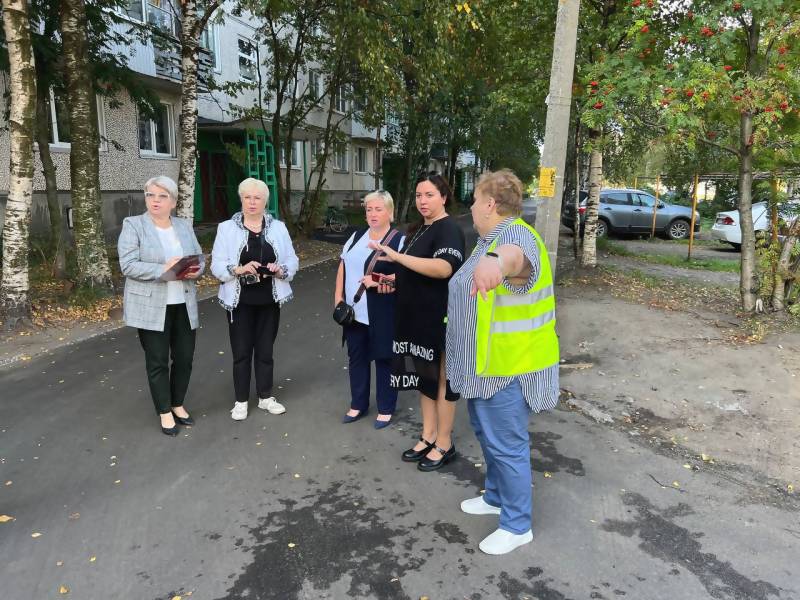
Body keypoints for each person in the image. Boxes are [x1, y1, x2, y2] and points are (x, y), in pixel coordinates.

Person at [446, 169, 559, 555]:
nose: (471, 208)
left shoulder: (513, 238)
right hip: (484, 369)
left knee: (507, 445)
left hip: (508, 370)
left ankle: (516, 524)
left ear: (490, 204)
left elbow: (514, 259)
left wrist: (496, 263)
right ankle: (495, 497)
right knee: (488, 437)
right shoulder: (488, 240)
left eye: (475, 201)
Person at [369, 173, 465, 471]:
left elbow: (443, 268)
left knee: (442, 380)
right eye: (419, 195)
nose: (423, 201)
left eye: (429, 195)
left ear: (443, 197)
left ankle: (445, 443)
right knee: (425, 379)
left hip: (439, 318)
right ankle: (428, 435)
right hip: (414, 318)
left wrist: (397, 257)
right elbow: (413, 273)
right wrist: (387, 280)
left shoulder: (449, 229)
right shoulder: (419, 229)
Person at [118, 176, 205, 436]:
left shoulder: (183, 226)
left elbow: (199, 259)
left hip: (183, 303)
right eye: (150, 195)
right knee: (157, 361)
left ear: (173, 202)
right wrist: (164, 268)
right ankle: (164, 411)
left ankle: (178, 403)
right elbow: (128, 265)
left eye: (162, 196)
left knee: (185, 358)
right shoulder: (133, 225)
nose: (155, 201)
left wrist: (196, 270)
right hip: (152, 305)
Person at [210, 178, 299, 421]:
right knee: (241, 352)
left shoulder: (278, 228)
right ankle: (240, 401)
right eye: (247, 197)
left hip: (269, 299)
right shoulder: (226, 228)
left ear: (265, 201)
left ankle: (265, 397)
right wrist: (238, 269)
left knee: (265, 351)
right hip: (239, 301)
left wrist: (281, 270)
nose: (252, 202)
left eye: (257, 198)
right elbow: (216, 264)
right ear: (241, 199)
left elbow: (292, 260)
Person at [334, 191, 404, 429]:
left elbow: (407, 277)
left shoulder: (399, 241)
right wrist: (338, 298)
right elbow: (343, 266)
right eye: (369, 209)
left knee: (384, 358)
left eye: (378, 209)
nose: (373, 214)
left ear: (390, 212)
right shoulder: (356, 236)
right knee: (356, 358)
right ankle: (358, 404)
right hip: (354, 312)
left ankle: (385, 408)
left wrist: (379, 281)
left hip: (383, 311)